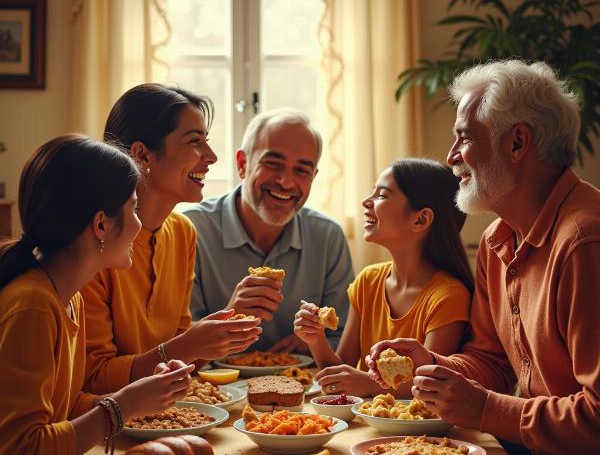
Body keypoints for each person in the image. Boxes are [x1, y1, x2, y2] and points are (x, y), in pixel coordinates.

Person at [367, 60, 600, 455]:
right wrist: (432, 366)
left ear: (517, 143)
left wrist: (487, 411)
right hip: (544, 451)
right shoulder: (497, 238)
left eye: (464, 137)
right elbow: (491, 362)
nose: (452, 156)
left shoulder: (585, 242)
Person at [0, 136, 195, 455]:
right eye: (134, 209)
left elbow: (64, 408)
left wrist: (145, 395)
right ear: (101, 224)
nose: (140, 225)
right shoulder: (33, 306)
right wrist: (121, 406)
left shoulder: (66, 295)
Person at [83, 84, 261, 394]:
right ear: (142, 155)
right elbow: (92, 379)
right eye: (195, 142)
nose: (213, 156)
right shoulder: (93, 238)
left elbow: (181, 361)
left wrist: (213, 335)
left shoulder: (182, 232)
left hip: (166, 412)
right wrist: (190, 345)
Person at [294, 158, 473, 396]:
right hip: (369, 422)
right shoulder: (368, 281)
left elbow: (431, 383)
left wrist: (369, 384)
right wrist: (315, 339)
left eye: (382, 195)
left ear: (420, 219)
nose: (366, 202)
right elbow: (341, 374)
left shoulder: (448, 296)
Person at [183, 108, 354, 353]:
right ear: (243, 164)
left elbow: (343, 337)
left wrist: (315, 344)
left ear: (313, 177)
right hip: (212, 388)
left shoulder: (328, 238)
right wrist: (230, 317)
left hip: (304, 386)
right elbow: (176, 343)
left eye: (302, 170)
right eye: (273, 164)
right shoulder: (191, 230)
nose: (285, 182)